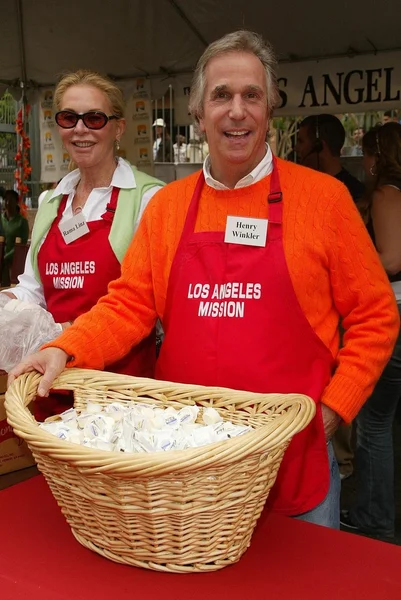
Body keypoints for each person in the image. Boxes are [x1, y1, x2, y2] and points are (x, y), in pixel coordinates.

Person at [9, 31, 399, 529]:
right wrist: (64, 348)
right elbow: (129, 303)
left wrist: (334, 410)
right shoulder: (169, 206)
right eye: (221, 96)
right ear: (197, 112)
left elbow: (375, 313)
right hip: (188, 468)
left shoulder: (323, 201)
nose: (236, 111)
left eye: (250, 95)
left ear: (269, 108)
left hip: (292, 458)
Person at [1, 68, 163, 414]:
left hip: (121, 391)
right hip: (51, 383)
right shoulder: (50, 202)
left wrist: (71, 334)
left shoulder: (148, 199)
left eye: (94, 118)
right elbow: (33, 290)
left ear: (119, 128)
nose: (80, 129)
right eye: (69, 117)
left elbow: (149, 303)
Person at [340, 123, 401, 540]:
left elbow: (392, 258)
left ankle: (374, 517)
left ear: (379, 155)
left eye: (366, 153)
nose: (362, 162)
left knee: (374, 426)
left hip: (391, 310)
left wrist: (349, 266)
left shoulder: (386, 193)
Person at [295, 114, 365, 202]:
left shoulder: (354, 195)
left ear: (319, 146)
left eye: (301, 141)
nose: (296, 148)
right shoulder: (301, 188)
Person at [1, 189, 29, 286]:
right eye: (6, 200)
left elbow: (21, 245)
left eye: (11, 200)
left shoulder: (22, 222)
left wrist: (6, 257)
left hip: (14, 263)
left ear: (16, 202)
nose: (8, 203)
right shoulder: (1, 220)